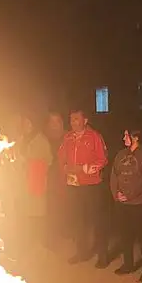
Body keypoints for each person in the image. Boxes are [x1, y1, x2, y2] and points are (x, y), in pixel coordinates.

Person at [57, 110, 109, 267]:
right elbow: (61, 156)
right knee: (77, 220)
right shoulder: (68, 137)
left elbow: (103, 159)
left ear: (85, 120)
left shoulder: (94, 137)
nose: (73, 122)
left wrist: (85, 168)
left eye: (77, 119)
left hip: (91, 185)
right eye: (71, 119)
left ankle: (103, 255)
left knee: (97, 220)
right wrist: (65, 167)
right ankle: (81, 252)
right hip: (74, 184)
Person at [109, 129, 142, 282]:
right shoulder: (121, 154)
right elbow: (114, 175)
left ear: (135, 137)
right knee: (125, 235)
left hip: (139, 202)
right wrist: (116, 193)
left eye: (126, 135)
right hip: (122, 203)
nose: (123, 138)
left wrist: (129, 195)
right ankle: (128, 264)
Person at [14, 114, 53, 255]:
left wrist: (32, 164)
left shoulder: (41, 140)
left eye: (30, 123)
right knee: (25, 214)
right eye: (25, 124)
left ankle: (42, 243)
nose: (27, 127)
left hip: (37, 182)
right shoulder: (21, 140)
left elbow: (48, 160)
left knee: (39, 214)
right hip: (23, 183)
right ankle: (27, 242)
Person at [45, 112, 67, 249]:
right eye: (52, 122)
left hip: (64, 176)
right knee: (51, 206)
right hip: (50, 177)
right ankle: (52, 234)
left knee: (65, 205)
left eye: (57, 121)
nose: (54, 125)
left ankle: (65, 231)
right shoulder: (45, 137)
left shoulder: (67, 137)